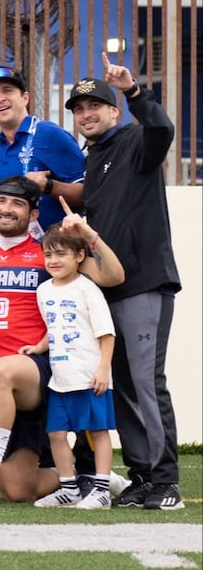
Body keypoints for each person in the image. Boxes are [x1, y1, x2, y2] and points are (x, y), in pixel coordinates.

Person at [0, 177, 124, 511]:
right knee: (19, 489)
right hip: (4, 392)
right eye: (1, 201)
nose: (6, 209)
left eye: (17, 203)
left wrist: (87, 234)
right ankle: (90, 478)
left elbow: (113, 276)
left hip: (42, 371)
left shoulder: (48, 254)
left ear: (33, 214)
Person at [66, 59, 183, 511]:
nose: (87, 113)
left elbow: (162, 130)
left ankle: (166, 481)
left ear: (114, 111)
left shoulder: (135, 139)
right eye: (79, 108)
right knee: (124, 386)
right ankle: (142, 477)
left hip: (146, 284)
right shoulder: (93, 159)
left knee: (146, 382)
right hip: (108, 289)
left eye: (96, 104)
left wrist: (134, 90)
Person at [21, 224, 117, 509]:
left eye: (61, 254)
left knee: (98, 432)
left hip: (88, 377)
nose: (53, 261)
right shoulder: (43, 290)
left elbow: (107, 333)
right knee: (55, 434)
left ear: (79, 256)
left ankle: (100, 490)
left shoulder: (88, 288)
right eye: (48, 254)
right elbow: (56, 326)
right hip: (60, 380)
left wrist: (103, 370)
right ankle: (69, 488)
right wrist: (40, 346)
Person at [0, 64, 86, 231]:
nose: (0, 98)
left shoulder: (51, 135)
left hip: (59, 251)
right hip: (16, 250)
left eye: (8, 90)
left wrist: (48, 186)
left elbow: (87, 194)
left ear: (25, 98)